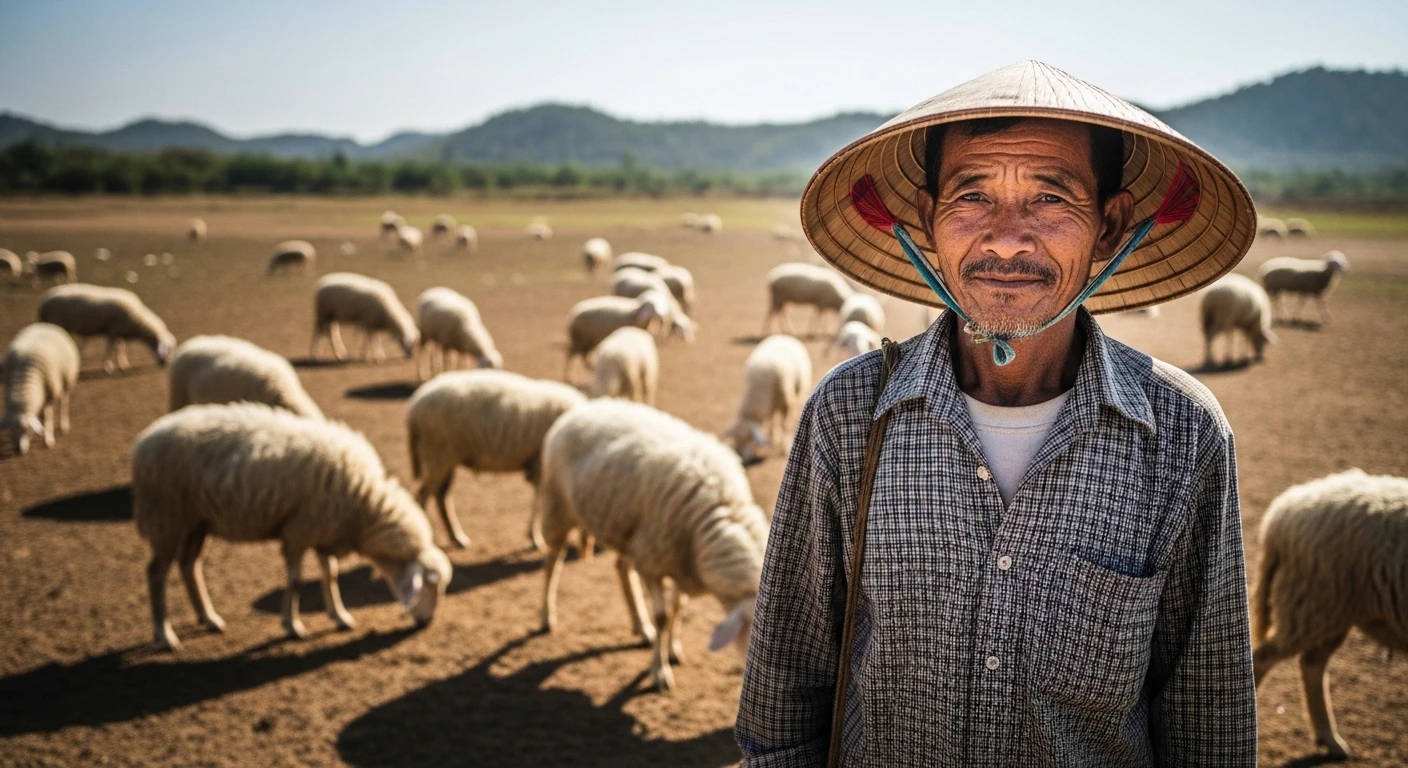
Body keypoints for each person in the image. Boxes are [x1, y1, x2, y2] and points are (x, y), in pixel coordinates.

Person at [735, 60, 1258, 766]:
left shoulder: (1183, 435)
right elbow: (785, 690)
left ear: (1111, 226)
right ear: (926, 222)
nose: (1007, 239)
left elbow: (1207, 716)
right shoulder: (850, 413)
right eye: (972, 197)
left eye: (1050, 198)